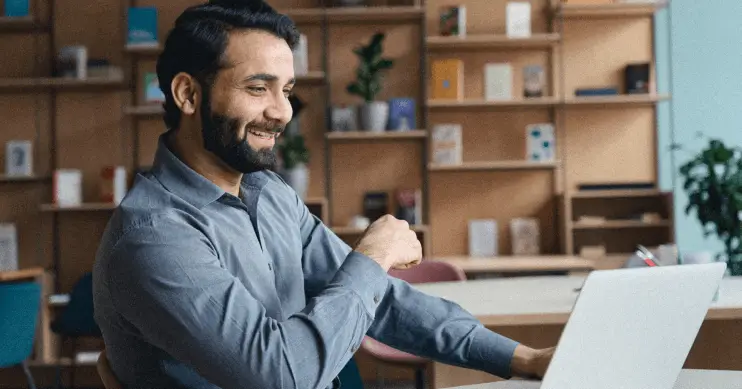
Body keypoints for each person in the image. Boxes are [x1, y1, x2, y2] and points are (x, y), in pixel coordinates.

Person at [91, 1, 555, 388]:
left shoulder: (269, 194)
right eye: (258, 88)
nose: (281, 112)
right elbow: (282, 376)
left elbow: (385, 303)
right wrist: (372, 257)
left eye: (286, 91)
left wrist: (524, 359)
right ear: (188, 94)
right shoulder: (153, 236)